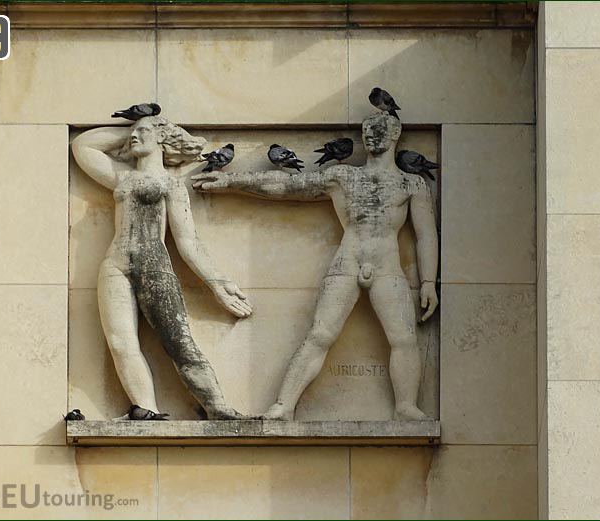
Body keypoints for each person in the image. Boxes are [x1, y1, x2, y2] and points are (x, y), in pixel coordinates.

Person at [192, 112, 438, 421]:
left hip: (387, 267)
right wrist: (231, 180)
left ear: (395, 135)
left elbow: (426, 233)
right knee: (320, 334)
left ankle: (405, 406)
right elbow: (289, 185)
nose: (373, 135)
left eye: (381, 130)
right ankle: (284, 405)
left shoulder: (410, 182)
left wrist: (428, 281)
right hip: (347, 262)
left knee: (403, 338)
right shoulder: (345, 176)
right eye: (368, 131)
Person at [71, 115, 252, 420]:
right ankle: (146, 409)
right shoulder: (123, 177)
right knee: (120, 341)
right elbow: (82, 145)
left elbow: (189, 242)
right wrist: (134, 127)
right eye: (132, 134)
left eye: (141, 133)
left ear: (162, 140)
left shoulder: (171, 184)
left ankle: (217, 405)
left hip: (154, 264)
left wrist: (217, 282)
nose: (133, 138)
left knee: (177, 340)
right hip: (116, 262)